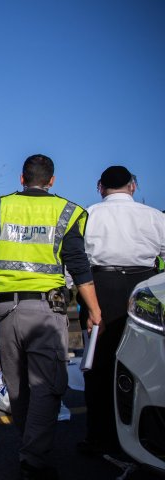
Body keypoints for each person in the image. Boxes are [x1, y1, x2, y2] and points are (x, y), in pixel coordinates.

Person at [0, 154, 102, 480]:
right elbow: (79, 268)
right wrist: (94, 311)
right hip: (46, 312)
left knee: (18, 385)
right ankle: (34, 458)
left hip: (5, 312)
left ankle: (30, 448)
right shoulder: (66, 212)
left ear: (22, 179)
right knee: (48, 386)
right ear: (51, 180)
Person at [79, 166, 165, 456]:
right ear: (133, 186)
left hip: (98, 287)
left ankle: (97, 436)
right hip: (145, 289)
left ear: (100, 187)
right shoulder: (154, 216)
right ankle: (144, 436)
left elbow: (74, 260)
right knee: (145, 363)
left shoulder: (87, 215)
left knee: (98, 365)